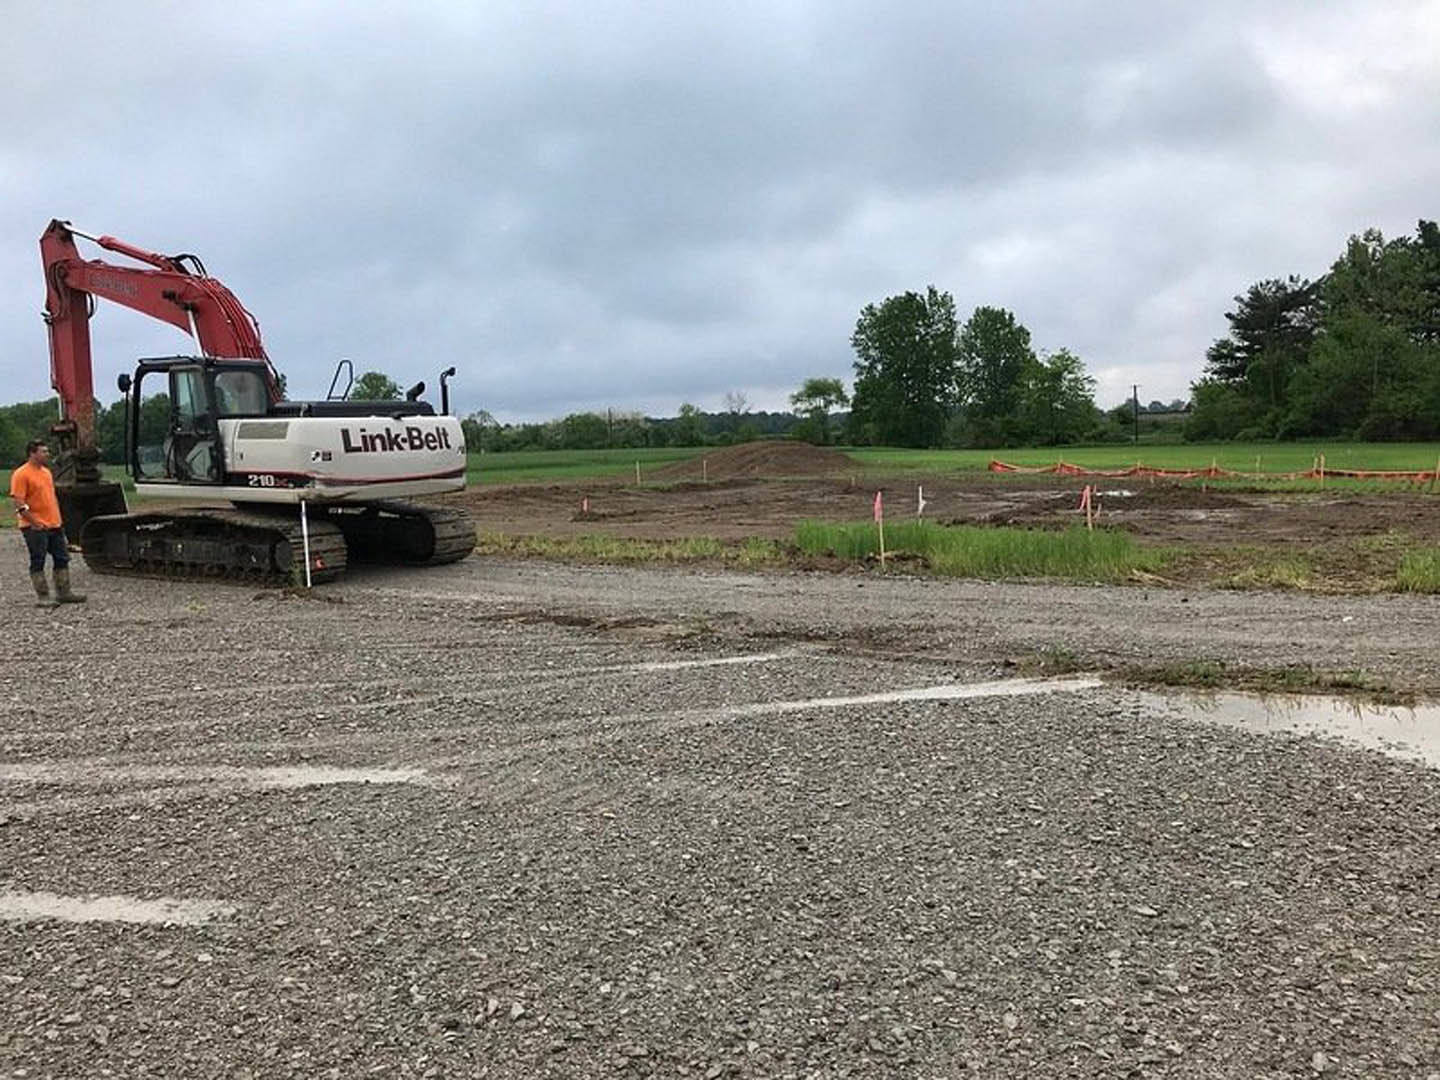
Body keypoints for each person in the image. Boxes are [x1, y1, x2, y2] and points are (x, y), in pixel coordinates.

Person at [9, 439, 85, 605]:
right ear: (32, 453)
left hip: (53, 524)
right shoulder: (21, 474)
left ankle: (64, 591)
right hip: (34, 527)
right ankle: (43, 595)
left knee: (62, 557)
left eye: (47, 451)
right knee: (38, 558)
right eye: (43, 451)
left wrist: (58, 519)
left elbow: (50, 498)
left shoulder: (46, 472)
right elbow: (18, 502)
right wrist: (34, 522)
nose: (47, 454)